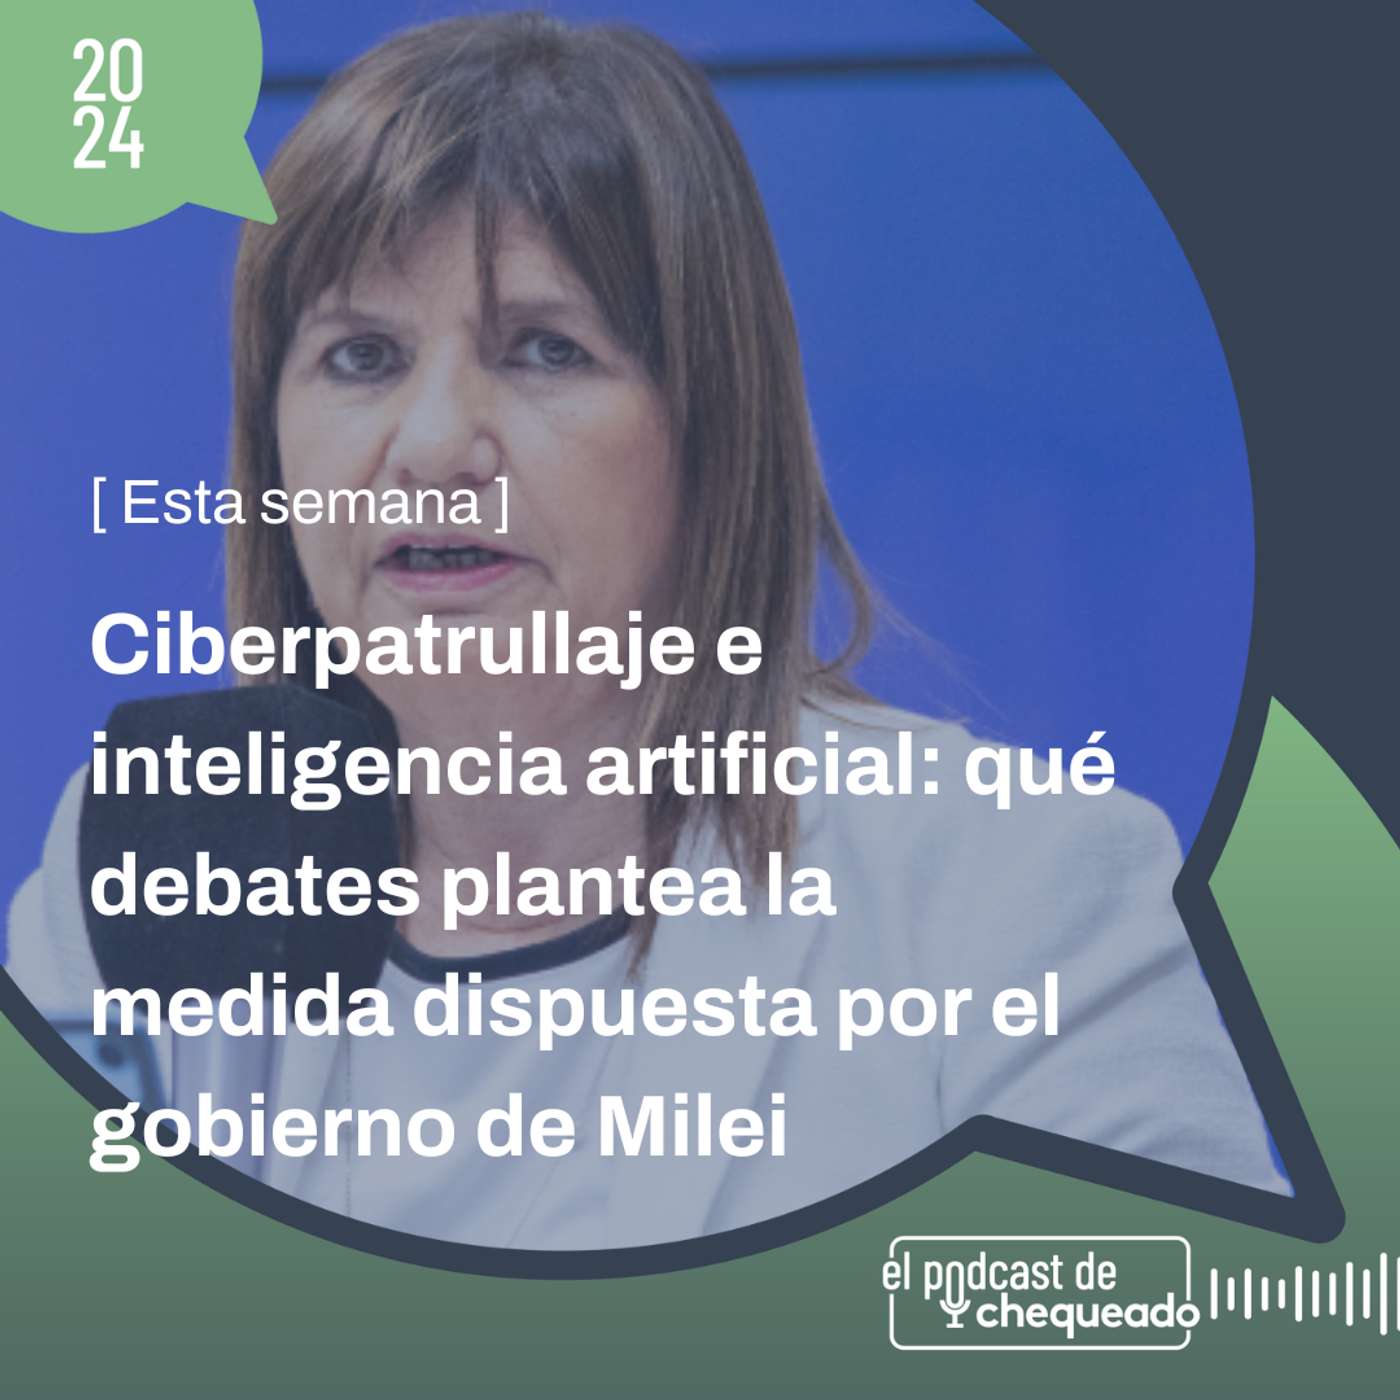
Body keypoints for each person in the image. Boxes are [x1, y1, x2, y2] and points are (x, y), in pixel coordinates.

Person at [5, 11, 1285, 1251]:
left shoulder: (1012, 893)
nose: (433, 445)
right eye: (360, 357)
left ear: (708, 430)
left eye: (544, 350)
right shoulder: (145, 860)